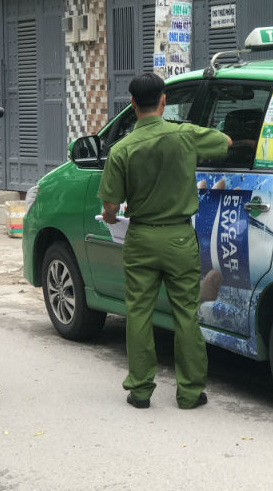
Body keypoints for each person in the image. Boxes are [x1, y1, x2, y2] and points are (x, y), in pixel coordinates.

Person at [98, 73, 231, 409]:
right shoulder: (184, 135)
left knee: (139, 313)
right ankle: (190, 393)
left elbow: (110, 206)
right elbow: (225, 142)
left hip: (141, 238)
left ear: (132, 104)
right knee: (185, 313)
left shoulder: (121, 149)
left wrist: (111, 219)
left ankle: (141, 390)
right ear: (163, 101)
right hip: (179, 238)